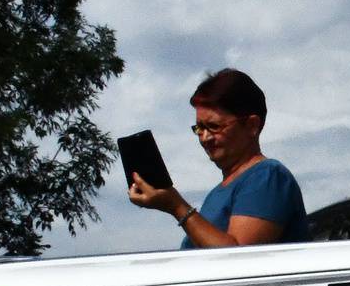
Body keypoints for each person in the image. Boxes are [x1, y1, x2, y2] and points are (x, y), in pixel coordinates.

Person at [128, 68, 309, 247]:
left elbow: (239, 262)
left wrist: (176, 206)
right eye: (199, 128)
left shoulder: (267, 177)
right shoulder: (217, 194)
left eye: (214, 126)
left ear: (252, 125)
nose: (205, 138)